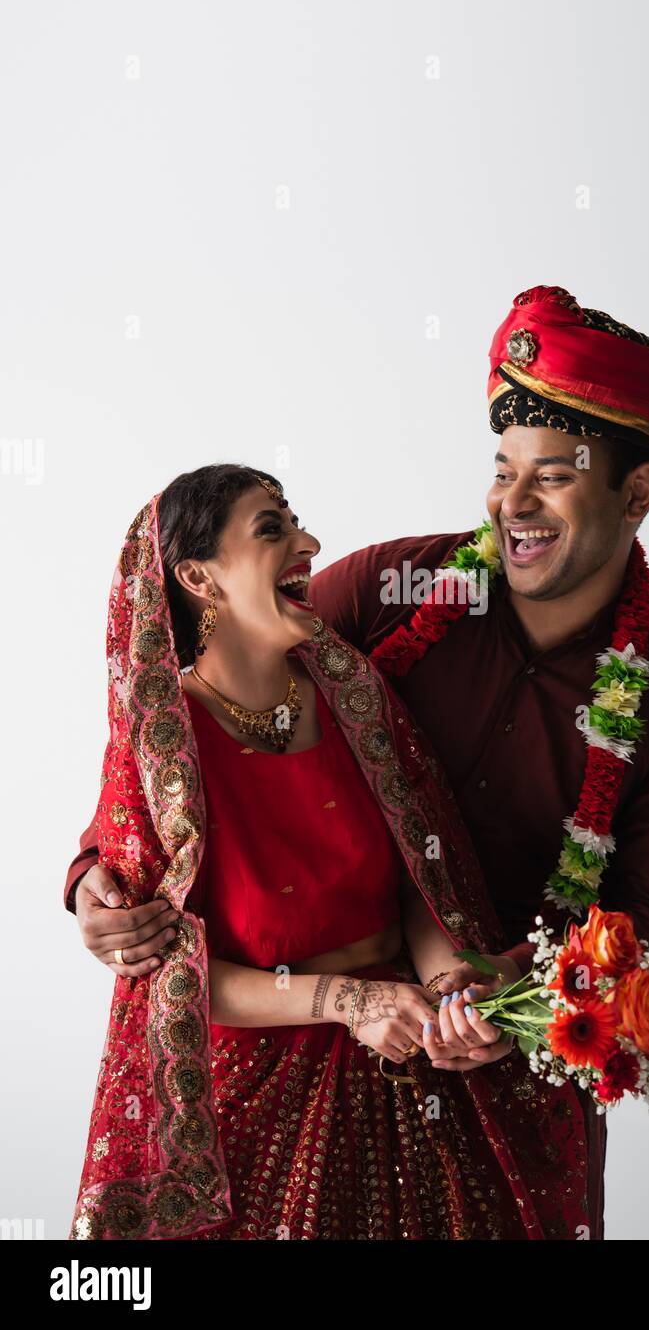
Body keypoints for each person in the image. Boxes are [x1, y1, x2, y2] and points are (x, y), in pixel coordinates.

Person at [65, 286, 649, 1240]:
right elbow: (200, 733)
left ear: (635, 493)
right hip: (292, 1052)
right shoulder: (390, 593)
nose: (510, 503)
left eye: (550, 477)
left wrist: (489, 993)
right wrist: (99, 877)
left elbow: (643, 931)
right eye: (502, 467)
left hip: (517, 1066)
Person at [69, 465, 594, 1241]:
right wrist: (344, 1002)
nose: (309, 544)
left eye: (297, 522)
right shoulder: (161, 743)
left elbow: (416, 884)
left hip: (409, 1068)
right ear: (197, 577)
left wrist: (451, 985)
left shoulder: (353, 692)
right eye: (272, 529)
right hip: (255, 1099)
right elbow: (167, 976)